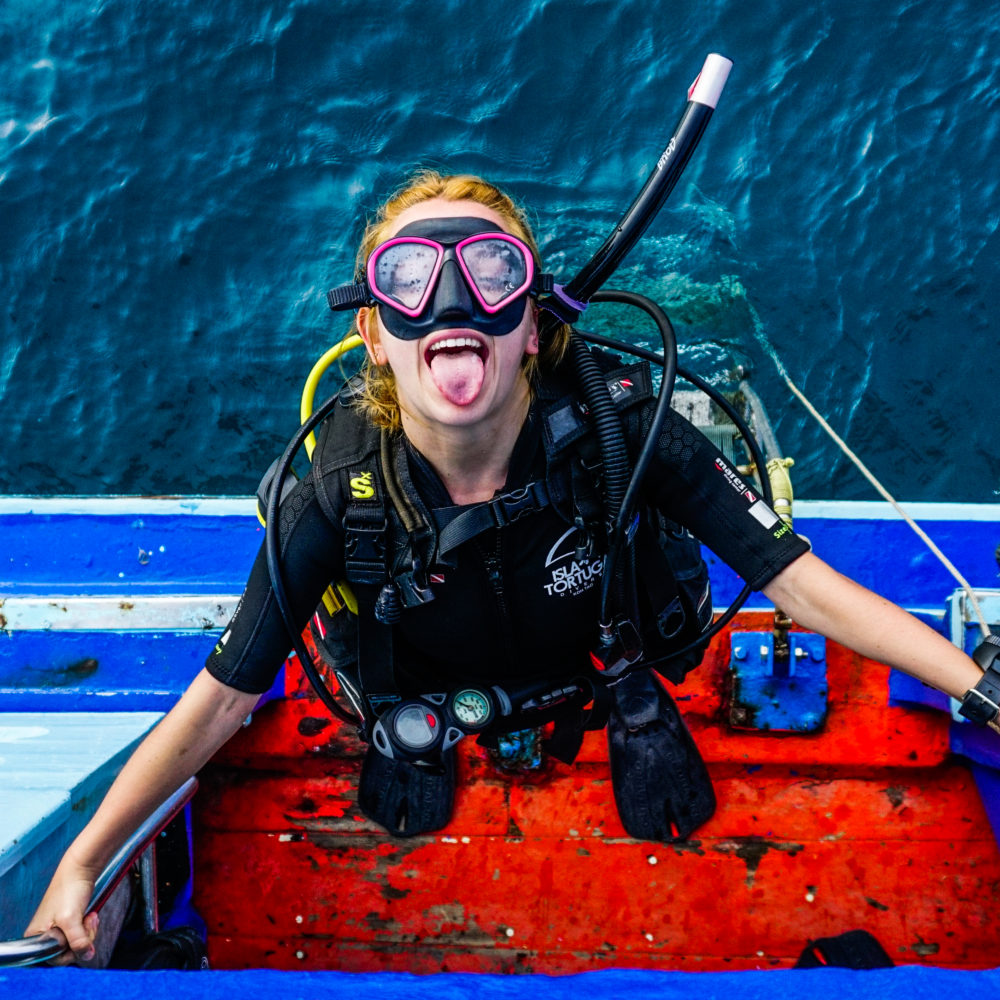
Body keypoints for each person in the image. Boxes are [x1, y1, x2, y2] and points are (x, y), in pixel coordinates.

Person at [26, 171, 996, 965]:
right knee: (403, 746)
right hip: (422, 688)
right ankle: (425, 739)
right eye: (408, 277)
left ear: (530, 324)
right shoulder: (335, 494)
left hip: (594, 666)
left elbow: (798, 582)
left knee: (631, 701)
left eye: (491, 270)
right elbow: (220, 700)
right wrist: (80, 863)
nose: (451, 301)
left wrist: (981, 685)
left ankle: (630, 712)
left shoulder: (626, 429)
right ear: (376, 332)